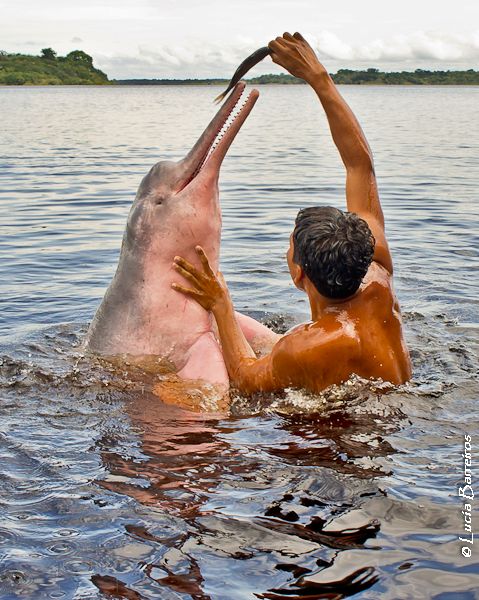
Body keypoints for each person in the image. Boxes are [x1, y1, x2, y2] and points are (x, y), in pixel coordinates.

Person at [171, 32, 411, 395]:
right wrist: (318, 78)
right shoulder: (378, 274)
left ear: (298, 272)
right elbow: (360, 166)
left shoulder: (305, 347)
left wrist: (221, 304)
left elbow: (248, 379)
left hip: (341, 444)